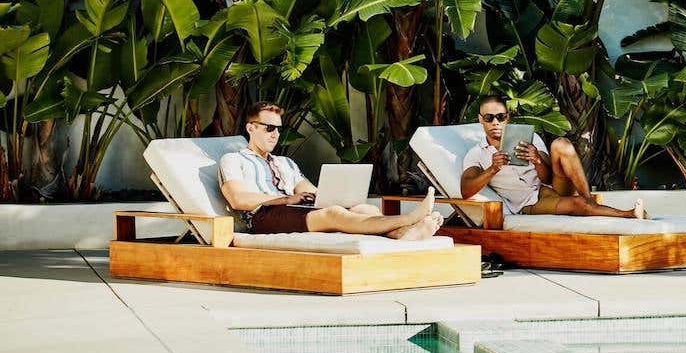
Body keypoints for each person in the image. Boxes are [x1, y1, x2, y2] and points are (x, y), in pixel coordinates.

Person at [219, 102, 443, 239]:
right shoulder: (233, 160)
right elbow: (238, 199)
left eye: (278, 129)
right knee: (333, 213)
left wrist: (328, 195)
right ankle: (408, 220)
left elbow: (310, 190)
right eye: (269, 128)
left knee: (362, 207)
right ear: (251, 128)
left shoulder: (285, 163)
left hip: (293, 209)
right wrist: (286, 198)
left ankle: (403, 234)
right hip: (262, 218)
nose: (275, 134)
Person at [460, 95, 645, 219]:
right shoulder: (477, 153)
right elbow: (466, 190)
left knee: (561, 143)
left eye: (500, 117)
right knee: (577, 204)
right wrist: (493, 169)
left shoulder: (529, 139)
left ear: (507, 117)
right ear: (480, 119)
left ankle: (588, 198)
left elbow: (548, 177)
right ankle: (627, 214)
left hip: (551, 186)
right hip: (531, 202)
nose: (495, 123)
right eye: (489, 117)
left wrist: (537, 160)